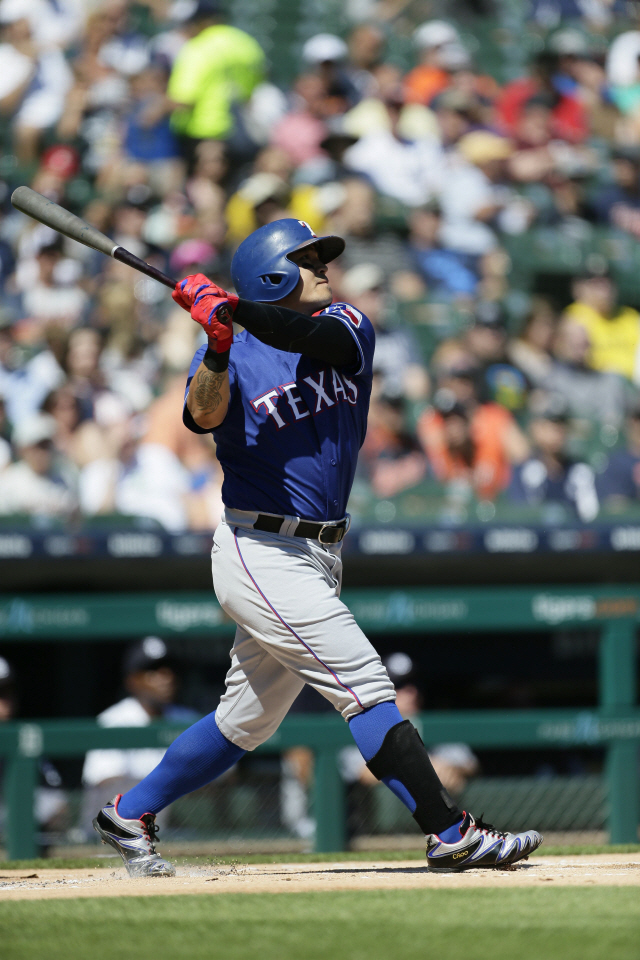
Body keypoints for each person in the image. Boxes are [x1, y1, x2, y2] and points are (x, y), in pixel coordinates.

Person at [91, 218, 542, 876]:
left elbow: (309, 335)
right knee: (366, 683)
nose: (324, 265)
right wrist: (217, 343)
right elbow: (202, 415)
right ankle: (451, 832)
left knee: (245, 721)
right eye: (307, 258)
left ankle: (128, 814)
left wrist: (234, 309)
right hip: (259, 547)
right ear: (273, 271)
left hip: (320, 553)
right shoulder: (235, 344)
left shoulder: (347, 323)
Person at [82, 637, 197, 835]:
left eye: (168, 668)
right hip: (120, 833)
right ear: (132, 680)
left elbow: (225, 777)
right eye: (153, 670)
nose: (166, 676)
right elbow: (106, 783)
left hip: (186, 830)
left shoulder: (189, 720)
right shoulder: (113, 721)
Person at [563, 269, 640, 383]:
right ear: (582, 288)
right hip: (593, 384)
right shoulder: (575, 316)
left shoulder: (630, 316)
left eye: (607, 283)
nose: (604, 290)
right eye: (597, 284)